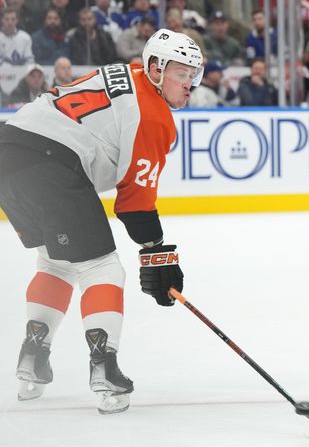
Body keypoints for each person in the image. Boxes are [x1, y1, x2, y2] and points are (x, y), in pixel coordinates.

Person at [0, 29, 203, 413]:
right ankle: (104, 369)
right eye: (181, 73)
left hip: (8, 153)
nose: (189, 83)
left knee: (56, 262)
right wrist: (156, 253)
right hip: (51, 161)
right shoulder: (155, 116)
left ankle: (31, 360)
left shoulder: (128, 72)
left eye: (194, 74)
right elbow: (135, 203)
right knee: (102, 268)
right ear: (155, 68)